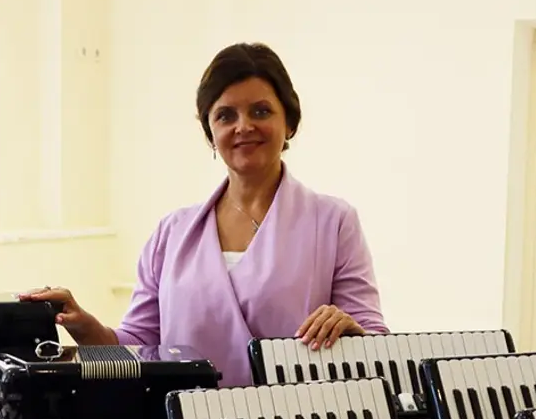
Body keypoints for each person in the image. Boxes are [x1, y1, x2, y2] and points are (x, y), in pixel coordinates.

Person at [21, 42, 388, 387]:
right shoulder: (171, 233)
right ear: (211, 133)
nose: (243, 126)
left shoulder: (334, 222)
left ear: (289, 121)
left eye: (261, 111)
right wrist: (84, 326)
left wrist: (352, 331)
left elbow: (377, 343)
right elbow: (140, 347)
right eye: (226, 115)